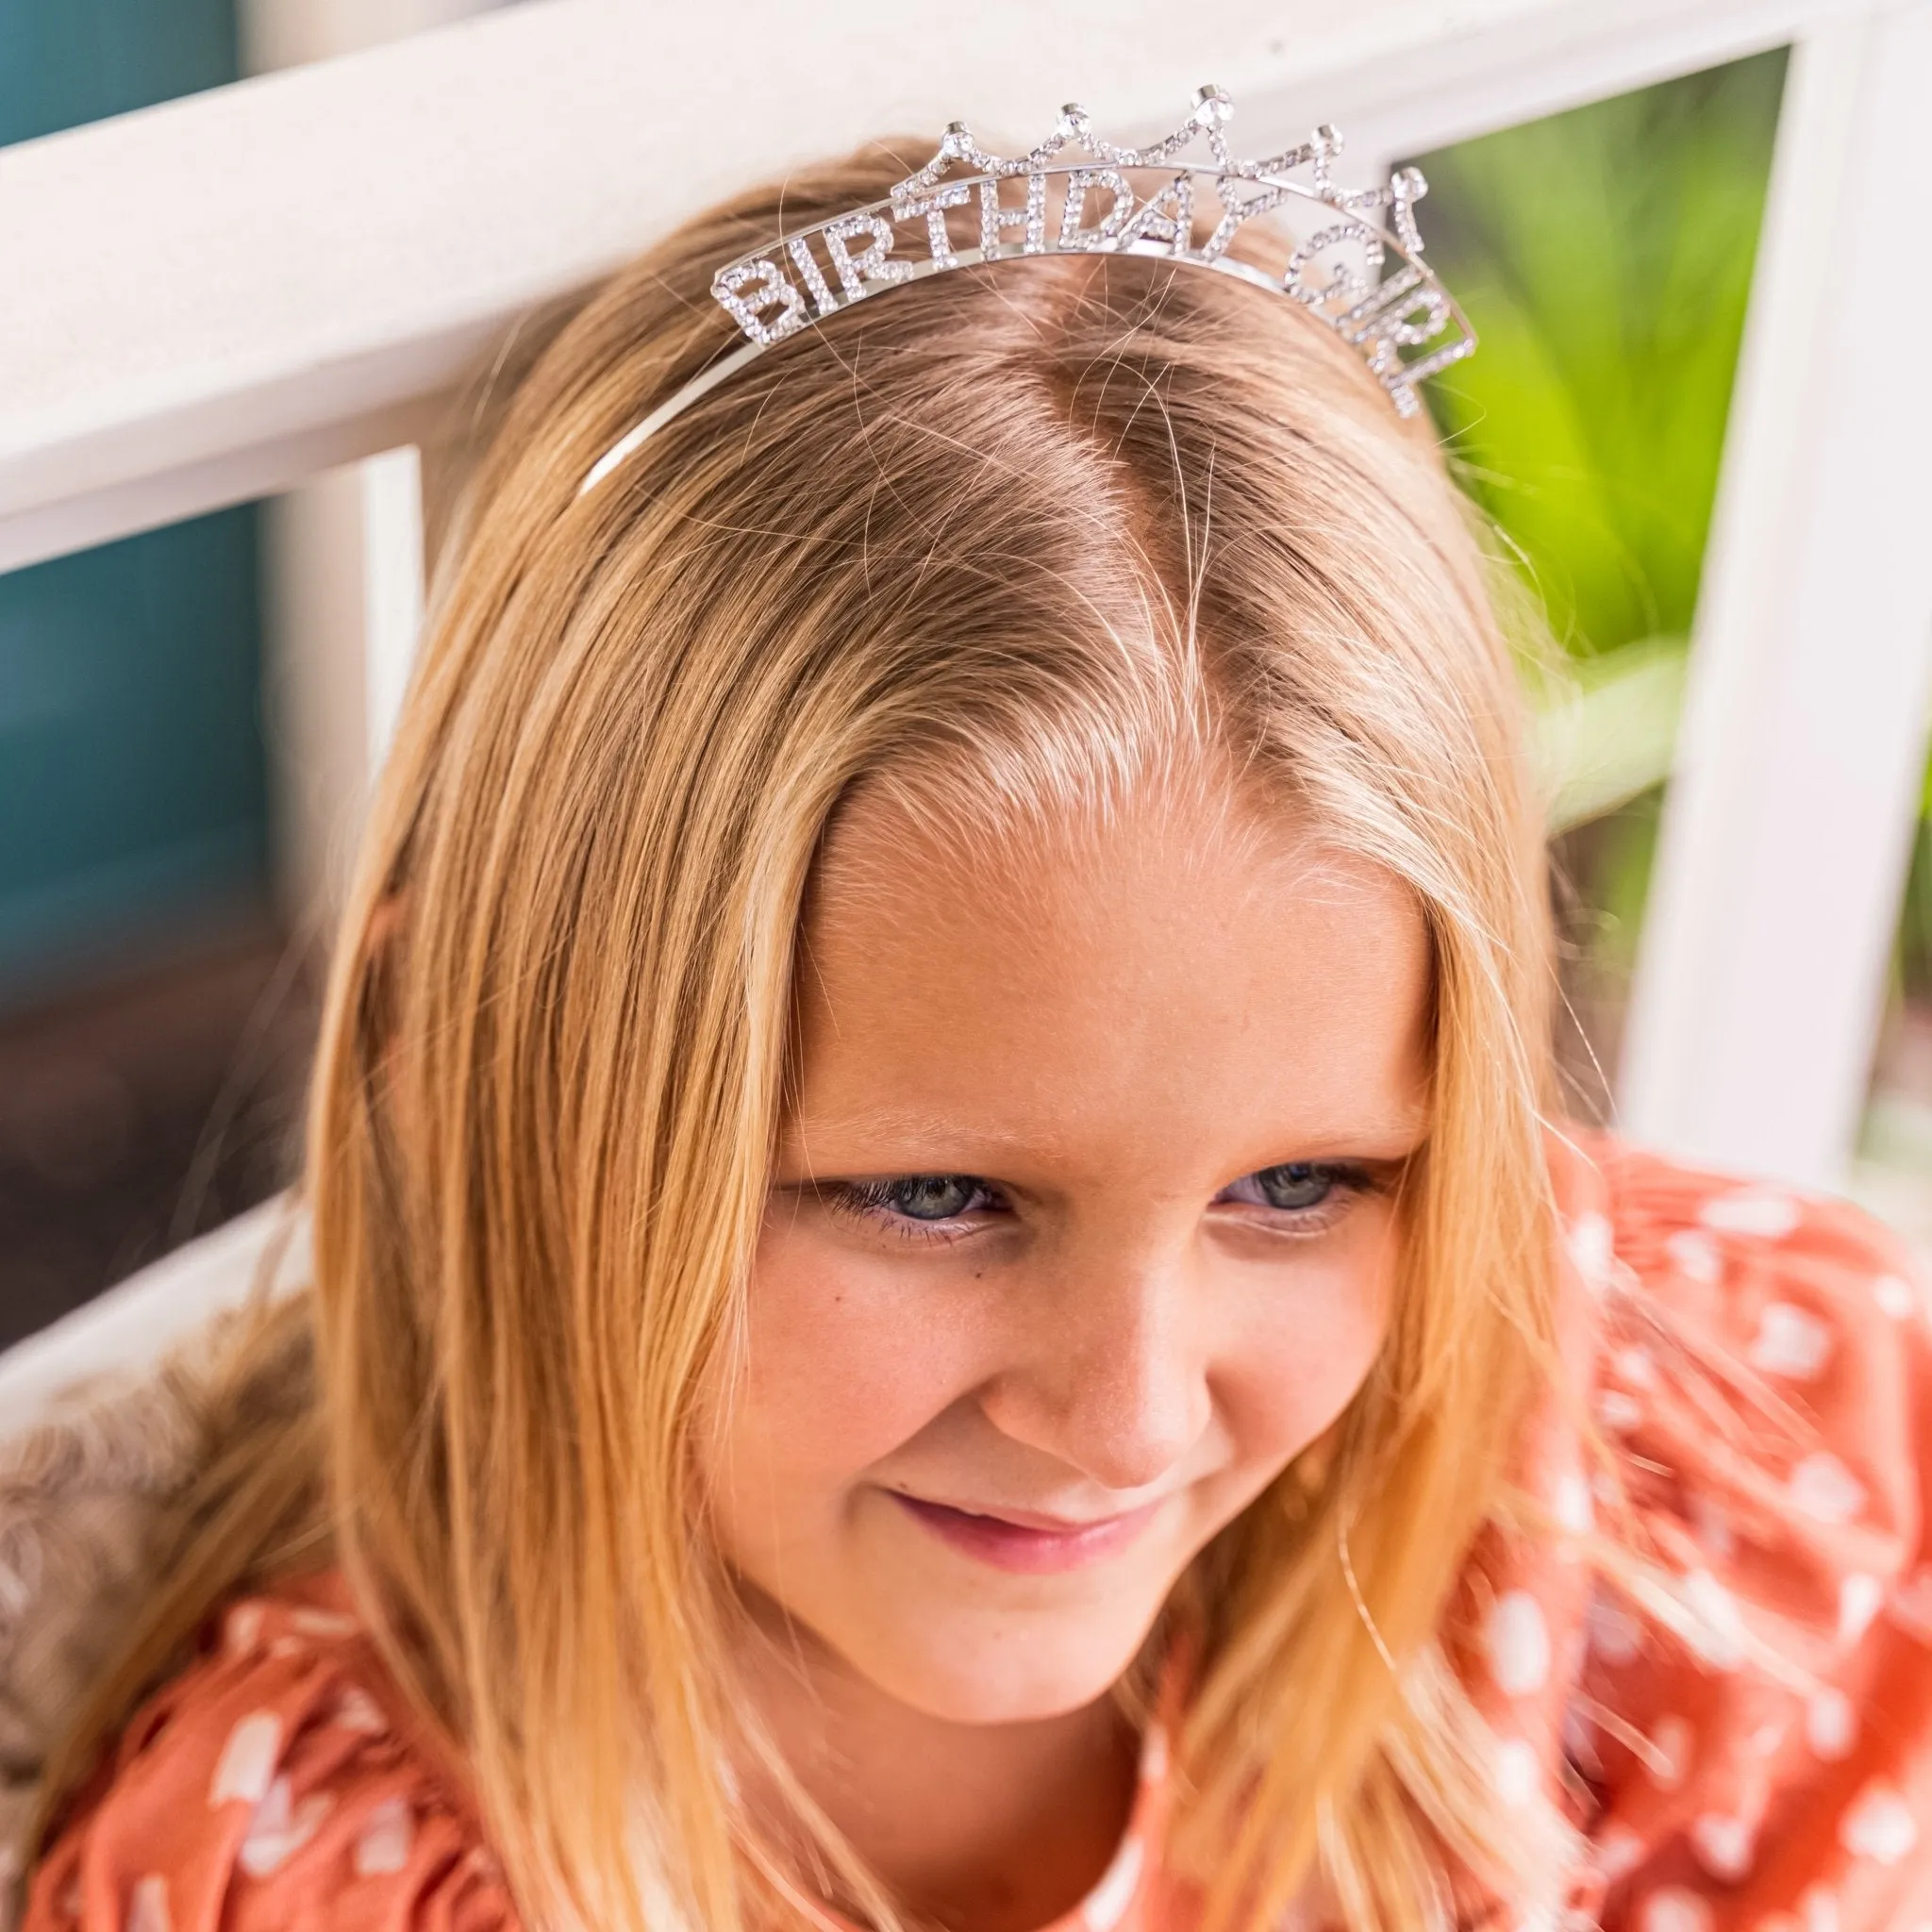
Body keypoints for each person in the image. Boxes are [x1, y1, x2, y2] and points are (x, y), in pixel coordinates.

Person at [15, 95, 1932, 1932]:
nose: (1127, 1413)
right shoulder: (312, 1872)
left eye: (1306, 1181)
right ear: (462, 1078)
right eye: (937, 1198)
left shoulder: (1698, 1479)